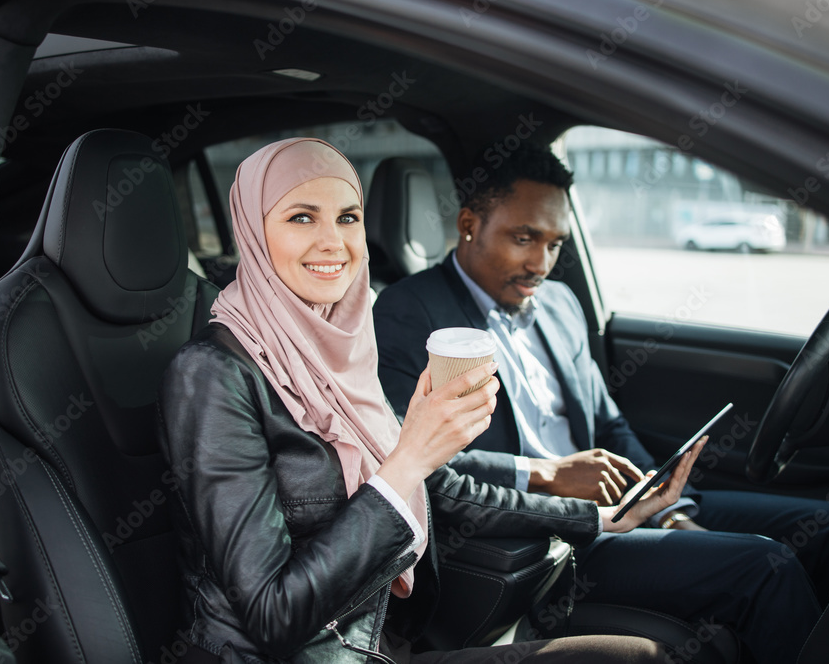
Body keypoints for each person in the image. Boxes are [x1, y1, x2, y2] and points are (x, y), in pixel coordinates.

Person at [156, 137, 693, 664]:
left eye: (347, 218)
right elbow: (273, 617)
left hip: (384, 644)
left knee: (643, 655)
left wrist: (599, 518)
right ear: (252, 231)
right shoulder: (210, 375)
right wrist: (407, 458)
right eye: (301, 218)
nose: (333, 242)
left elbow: (444, 486)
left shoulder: (338, 351)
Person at [373, 143, 829, 642]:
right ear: (468, 225)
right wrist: (548, 477)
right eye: (524, 239)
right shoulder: (410, 312)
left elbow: (609, 425)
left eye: (555, 244)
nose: (541, 263)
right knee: (767, 564)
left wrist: (669, 510)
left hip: (627, 502)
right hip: (548, 537)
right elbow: (415, 458)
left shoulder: (560, 303)